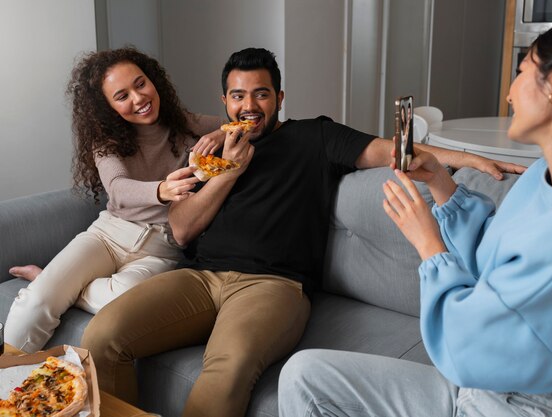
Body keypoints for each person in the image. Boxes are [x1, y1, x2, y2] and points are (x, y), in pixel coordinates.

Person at [81, 47, 526, 417]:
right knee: (102, 337)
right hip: (202, 278)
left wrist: (465, 159)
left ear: (279, 96)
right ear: (225, 102)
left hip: (273, 286)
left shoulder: (314, 136)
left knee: (226, 370)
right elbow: (180, 229)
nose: (248, 106)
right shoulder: (212, 150)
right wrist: (228, 173)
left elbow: (390, 150)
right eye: (238, 96)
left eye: (260, 94)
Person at [278, 17, 552, 417]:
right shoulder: (543, 178)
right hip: (474, 389)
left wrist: (430, 247)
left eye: (522, 71)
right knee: (304, 376)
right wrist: (442, 185)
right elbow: (495, 257)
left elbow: (469, 349)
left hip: (516, 406)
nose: (510, 94)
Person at [4, 47, 225, 353]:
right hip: (108, 235)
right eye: (121, 96)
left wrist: (223, 133)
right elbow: (118, 187)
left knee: (124, 304)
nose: (138, 99)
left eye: (140, 84)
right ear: (107, 106)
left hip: (162, 250)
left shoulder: (185, 124)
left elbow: (247, 125)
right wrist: (161, 190)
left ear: (153, 80)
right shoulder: (105, 140)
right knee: (36, 302)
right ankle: (7, 384)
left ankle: (50, 280)